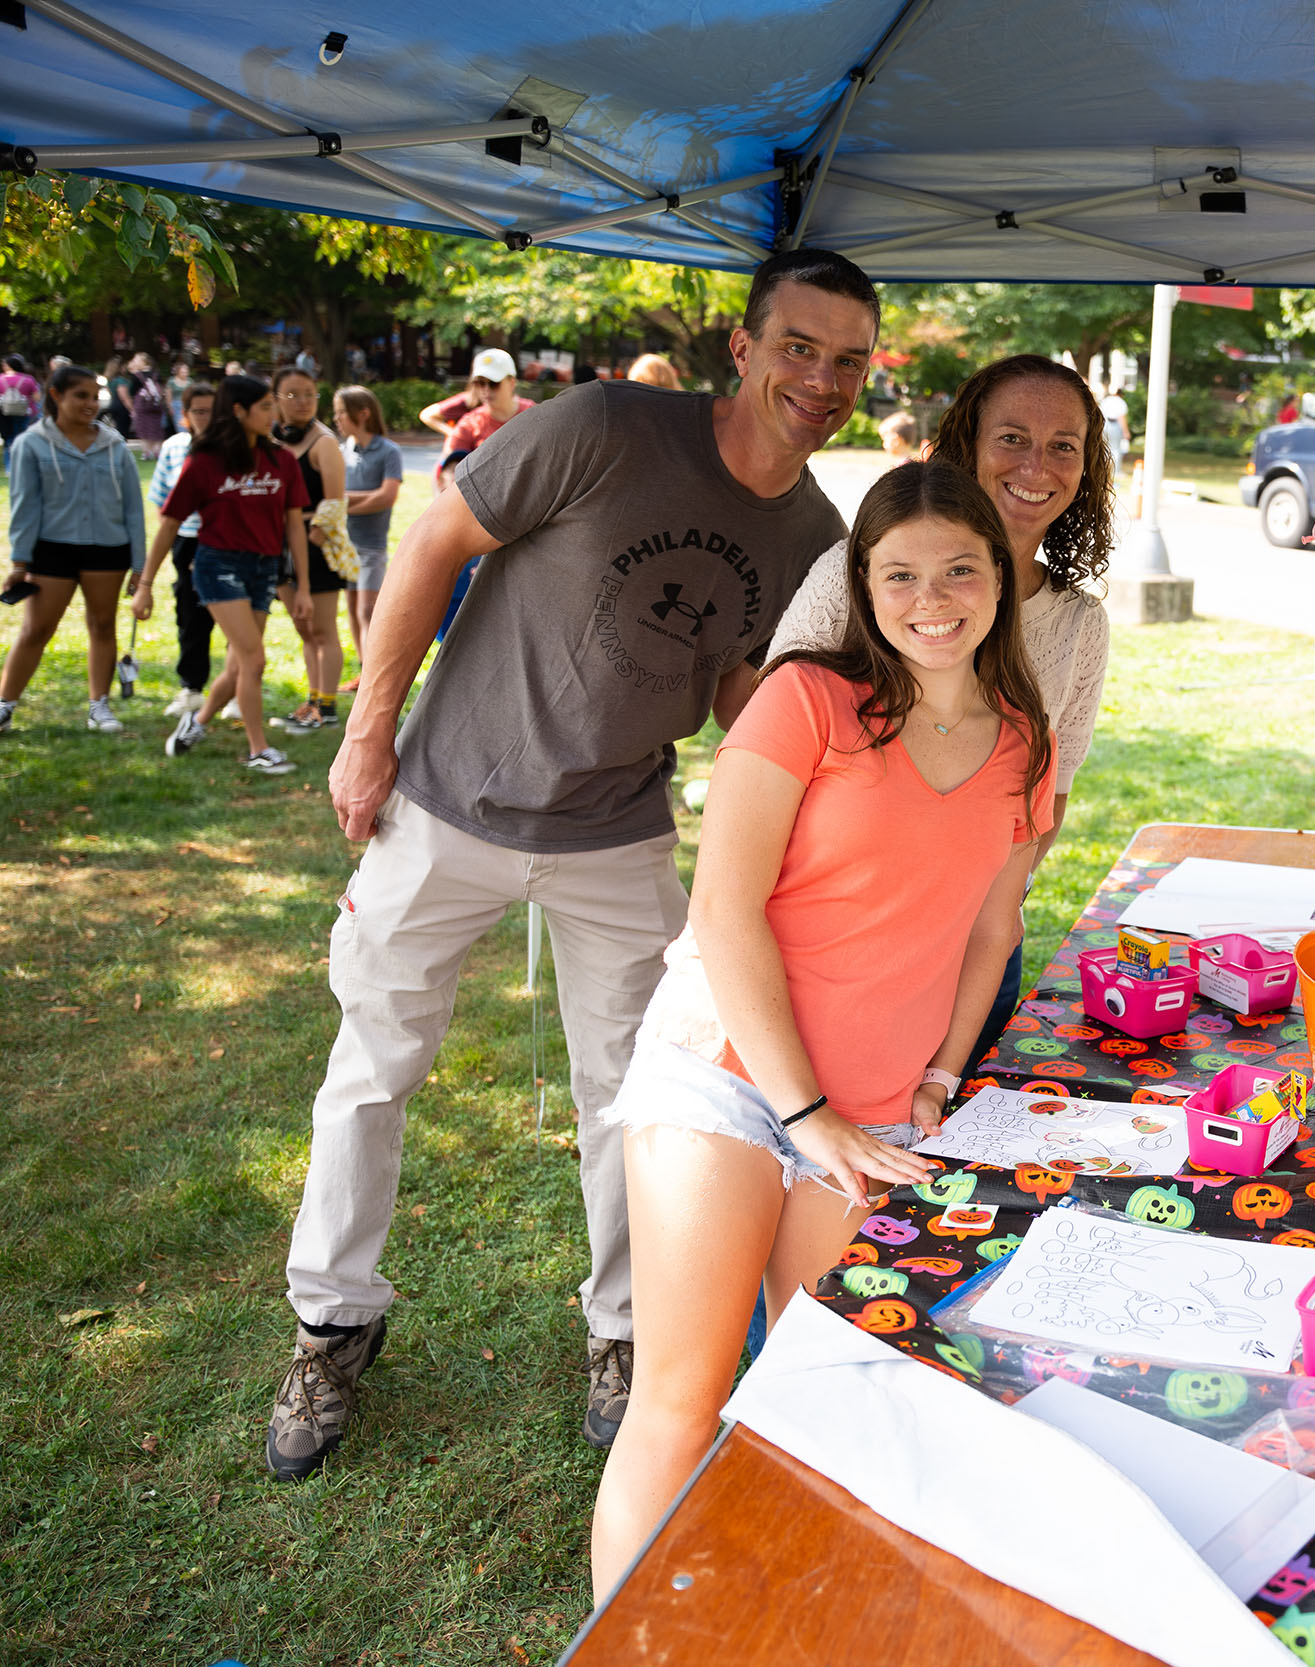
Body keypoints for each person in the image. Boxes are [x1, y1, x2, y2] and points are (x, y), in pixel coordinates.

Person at [260, 247, 878, 1483]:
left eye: (848, 359)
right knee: (369, 1071)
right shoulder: (601, 425)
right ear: (745, 349)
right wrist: (368, 730)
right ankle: (333, 1319)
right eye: (797, 347)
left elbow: (734, 698)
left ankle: (625, 1332)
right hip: (445, 802)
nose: (820, 377)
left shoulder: (817, 534)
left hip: (617, 836)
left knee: (641, 1103)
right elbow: (432, 546)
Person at [587, 459, 1051, 1595]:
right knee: (683, 1396)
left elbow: (991, 929)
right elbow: (721, 907)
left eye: (958, 569)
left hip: (881, 1105)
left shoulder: (1023, 746)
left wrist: (939, 1073)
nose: (929, 597)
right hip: (729, 1078)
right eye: (898, 573)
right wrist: (805, 1110)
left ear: (999, 579)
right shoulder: (805, 699)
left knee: (821, 1394)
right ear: (861, 583)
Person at [771, 352, 1113, 1066]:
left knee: (940, 1154)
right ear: (966, 446)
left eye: (1063, 447)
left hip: (971, 953)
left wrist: (981, 917)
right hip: (825, 941)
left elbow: (1050, 797)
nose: (1037, 465)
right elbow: (777, 734)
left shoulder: (1078, 624)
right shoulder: (857, 574)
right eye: (1012, 437)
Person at [132, 374, 311, 773]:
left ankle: (195, 723)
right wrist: (145, 585)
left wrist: (303, 587)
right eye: (265, 406)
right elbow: (168, 525)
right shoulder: (205, 462)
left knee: (238, 666)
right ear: (238, 410)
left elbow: (294, 525)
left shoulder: (281, 460)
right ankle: (258, 750)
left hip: (264, 569)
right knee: (253, 659)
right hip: (218, 566)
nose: (274, 413)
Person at [0, 364, 146, 737]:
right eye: (81, 396)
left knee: (102, 625)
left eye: (95, 397)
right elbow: (24, 507)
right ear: (55, 395)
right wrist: (20, 562)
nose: (90, 404)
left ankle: (99, 705)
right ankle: (5, 704)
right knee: (36, 629)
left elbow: (132, 507)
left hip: (107, 550)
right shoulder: (31, 444)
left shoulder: (114, 445)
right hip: (52, 551)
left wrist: (139, 565)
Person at [270, 367, 352, 733]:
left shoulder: (324, 442)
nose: (302, 402)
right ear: (275, 400)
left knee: (322, 630)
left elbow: (334, 503)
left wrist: (310, 542)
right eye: (292, 394)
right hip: (277, 542)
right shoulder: (271, 440)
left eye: (309, 394)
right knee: (303, 630)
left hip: (313, 546)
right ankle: (312, 699)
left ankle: (328, 706)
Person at [146, 381, 222, 718]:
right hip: (187, 539)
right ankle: (191, 686)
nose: (206, 418)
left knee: (243, 619)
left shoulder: (235, 448)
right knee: (190, 615)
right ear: (185, 415)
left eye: (212, 411)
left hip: (227, 542)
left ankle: (234, 690)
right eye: (198, 411)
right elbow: (164, 502)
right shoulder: (175, 447)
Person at [332, 385, 403, 681]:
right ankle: (364, 670)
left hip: (371, 546)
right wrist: (357, 499)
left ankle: (374, 672)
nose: (336, 419)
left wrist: (343, 503)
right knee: (351, 607)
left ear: (362, 414)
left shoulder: (388, 451)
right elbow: (333, 496)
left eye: (341, 413)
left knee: (367, 610)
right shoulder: (341, 450)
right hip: (344, 545)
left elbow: (386, 497)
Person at [434, 348, 530, 489]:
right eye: (479, 383)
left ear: (512, 382)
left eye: (493, 383)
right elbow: (448, 470)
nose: (486, 390)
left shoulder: (534, 416)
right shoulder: (470, 423)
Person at [127, 353, 170, 456]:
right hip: (156, 406)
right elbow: (163, 389)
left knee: (144, 429)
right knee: (156, 429)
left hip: (142, 406)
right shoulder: (156, 374)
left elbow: (132, 391)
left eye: (136, 360)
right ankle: (157, 451)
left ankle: (147, 452)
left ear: (143, 361)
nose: (134, 361)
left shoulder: (137, 376)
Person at [1, 355, 41, 447]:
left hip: (5, 413)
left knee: (9, 439)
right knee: (24, 437)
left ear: (8, 366)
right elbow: (37, 398)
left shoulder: (0, 379)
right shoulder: (28, 379)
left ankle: (9, 460)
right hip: (25, 412)